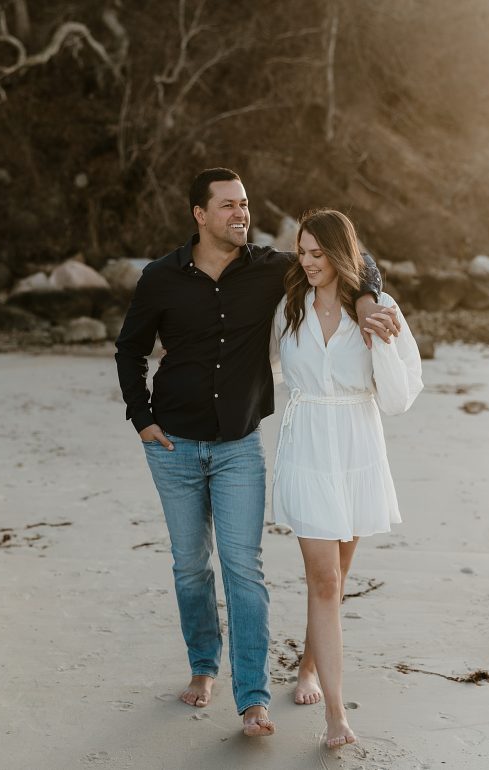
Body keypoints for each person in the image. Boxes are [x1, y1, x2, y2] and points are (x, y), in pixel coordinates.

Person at [114, 168, 399, 737]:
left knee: (244, 571)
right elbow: (131, 350)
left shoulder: (273, 270)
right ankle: (202, 667)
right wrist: (141, 419)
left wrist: (367, 299)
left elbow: (349, 259)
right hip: (171, 446)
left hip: (239, 446)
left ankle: (253, 700)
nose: (240, 214)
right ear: (199, 214)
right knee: (191, 566)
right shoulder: (160, 278)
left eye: (244, 204)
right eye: (228, 206)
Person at [271, 208, 422, 747]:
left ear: (340, 255)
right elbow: (258, 367)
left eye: (317, 254)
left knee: (337, 575)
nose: (307, 263)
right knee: (325, 580)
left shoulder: (377, 309)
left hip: (359, 449)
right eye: (302, 253)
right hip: (308, 447)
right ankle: (336, 717)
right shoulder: (289, 307)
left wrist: (382, 331)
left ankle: (309, 666)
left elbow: (401, 397)